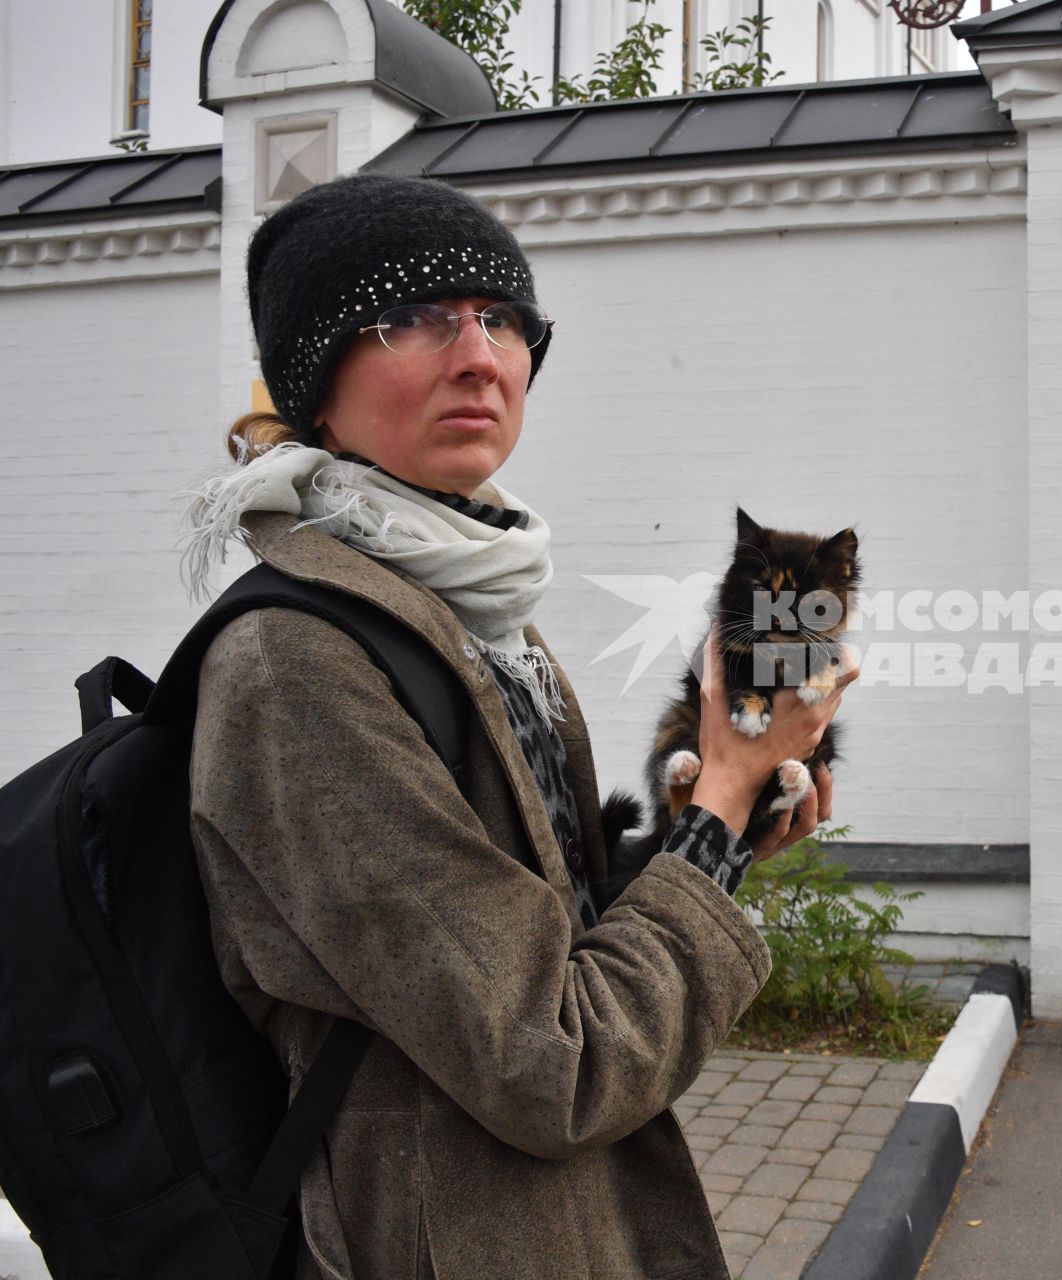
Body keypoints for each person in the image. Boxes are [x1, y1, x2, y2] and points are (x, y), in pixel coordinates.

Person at [181, 173, 854, 1278]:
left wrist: (716, 840)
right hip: (445, 1229)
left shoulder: (475, 609)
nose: (480, 356)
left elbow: (557, 935)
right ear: (317, 375)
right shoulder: (297, 661)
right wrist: (725, 789)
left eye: (503, 320)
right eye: (415, 318)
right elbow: (557, 1055)